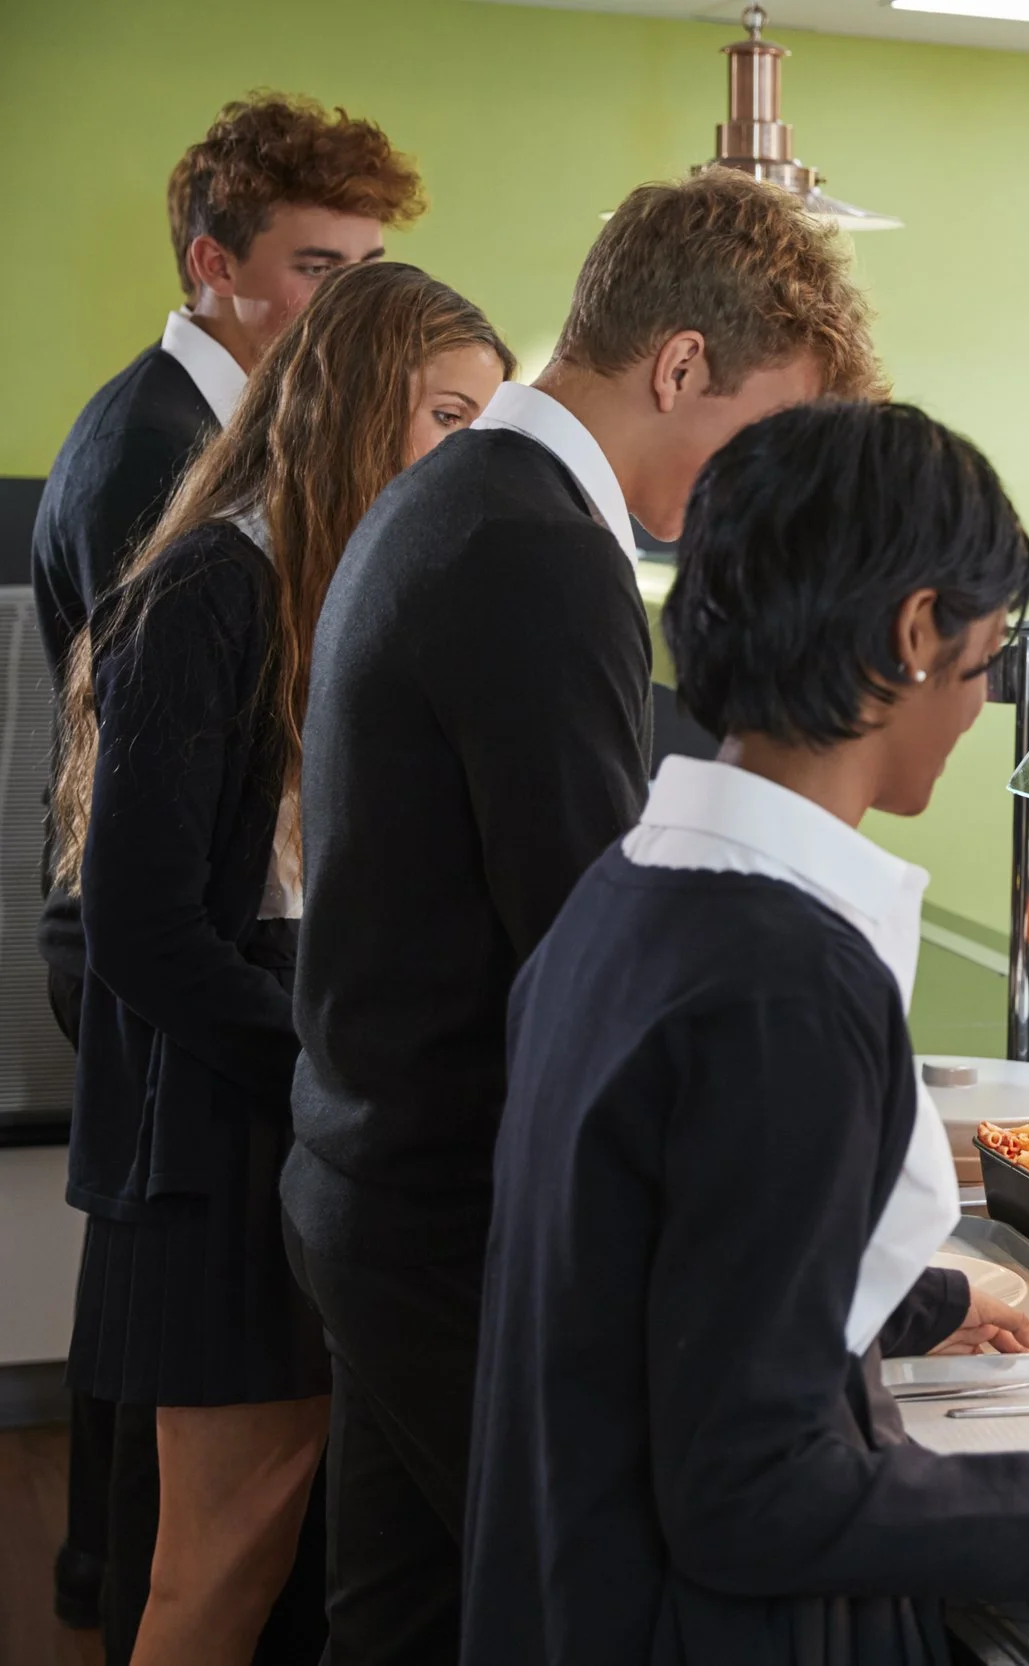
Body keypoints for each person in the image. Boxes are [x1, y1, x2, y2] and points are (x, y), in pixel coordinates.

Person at [462, 399, 1029, 1665]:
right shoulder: (784, 986)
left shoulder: (630, 895)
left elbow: (667, 1285)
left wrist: (925, 1298)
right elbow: (757, 1495)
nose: (978, 711)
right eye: (984, 664)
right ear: (915, 632)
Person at [283, 167, 884, 1666]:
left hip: (373, 1182)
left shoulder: (458, 495)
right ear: (678, 364)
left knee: (403, 1621)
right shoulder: (539, 550)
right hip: (453, 1222)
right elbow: (596, 951)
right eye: (761, 431)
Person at [50, 261, 509, 1666]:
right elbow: (141, 927)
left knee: (291, 1546)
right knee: (215, 1563)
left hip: (293, 1124)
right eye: (442, 416)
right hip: (214, 1141)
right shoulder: (210, 589)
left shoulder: (339, 585)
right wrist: (331, 1070)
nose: (460, 457)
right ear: (352, 406)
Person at [27, 91, 422, 1649]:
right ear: (213, 265)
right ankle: (120, 1595)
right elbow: (163, 821)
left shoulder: (215, 427)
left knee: (184, 1369)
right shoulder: (161, 457)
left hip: (179, 922)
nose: (356, 302)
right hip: (153, 924)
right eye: (324, 267)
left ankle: (113, 1586)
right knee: (201, 1381)